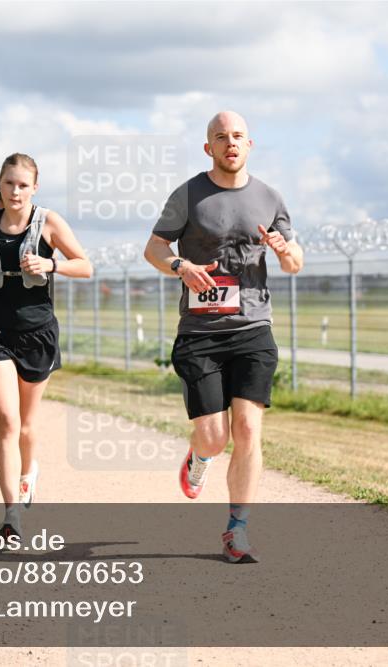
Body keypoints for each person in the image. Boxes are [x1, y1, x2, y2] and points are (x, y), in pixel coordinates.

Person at [143, 111, 304, 564]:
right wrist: (180, 266)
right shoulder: (188, 195)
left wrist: (285, 250)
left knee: (249, 429)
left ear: (249, 145)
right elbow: (154, 247)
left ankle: (237, 529)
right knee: (214, 437)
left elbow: (295, 261)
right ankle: (199, 457)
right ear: (208, 147)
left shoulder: (269, 197)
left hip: (253, 328)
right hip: (201, 333)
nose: (229, 143)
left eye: (237, 137)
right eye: (220, 137)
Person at [0, 153, 92, 538]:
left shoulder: (49, 223)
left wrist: (52, 266)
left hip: (37, 333)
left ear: (35, 188)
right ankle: (11, 514)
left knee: (27, 428)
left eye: (23, 185)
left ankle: (29, 470)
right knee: (6, 422)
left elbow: (85, 265)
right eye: (8, 183)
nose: (15, 191)